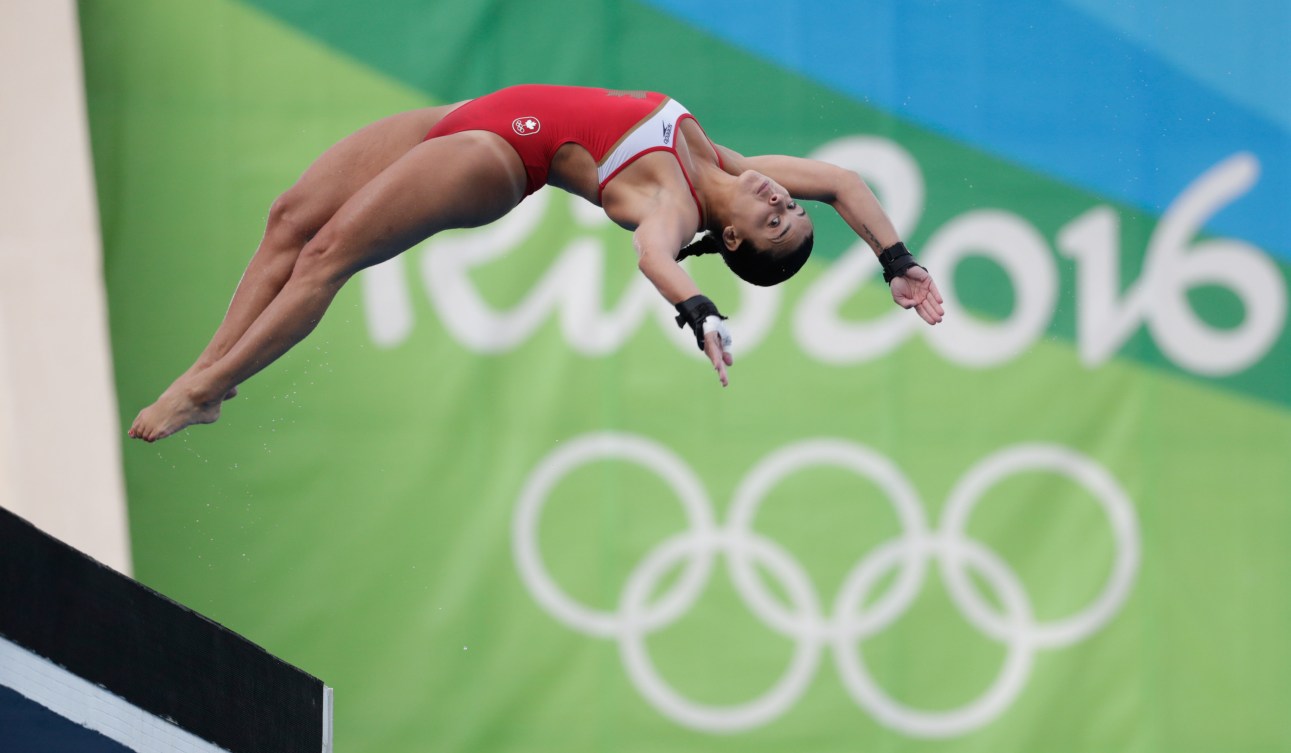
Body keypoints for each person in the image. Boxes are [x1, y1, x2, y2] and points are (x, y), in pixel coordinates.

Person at [129, 84, 943, 443]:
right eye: (788, 206)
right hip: (469, 113)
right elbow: (842, 182)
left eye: (774, 220)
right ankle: (213, 375)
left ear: (733, 242)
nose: (780, 198)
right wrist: (896, 260)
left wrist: (699, 311)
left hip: (492, 155)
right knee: (288, 219)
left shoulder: (679, 209)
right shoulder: (723, 160)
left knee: (328, 253)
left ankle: (200, 389)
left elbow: (654, 259)